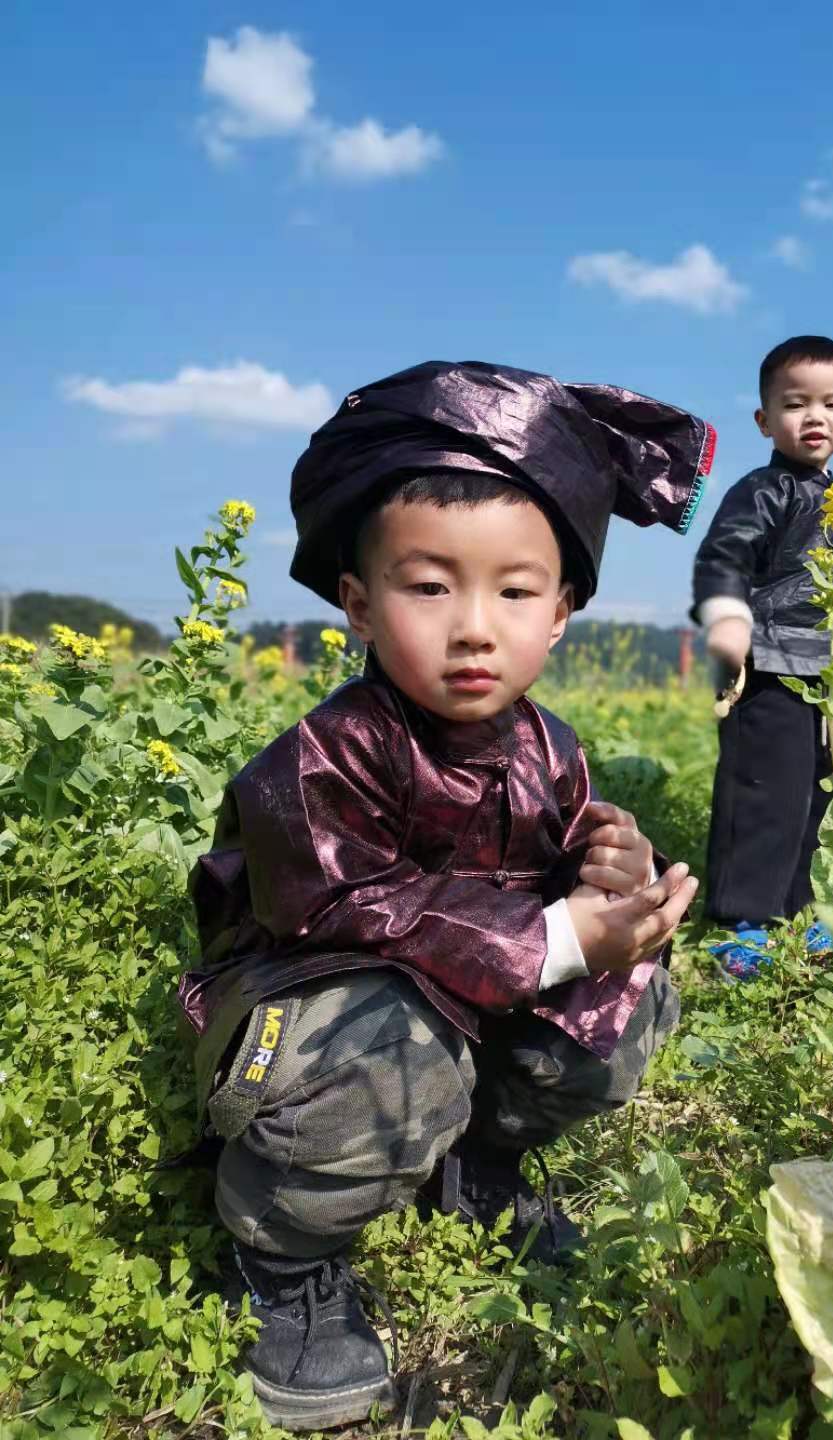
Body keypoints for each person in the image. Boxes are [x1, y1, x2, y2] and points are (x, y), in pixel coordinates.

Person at [179, 360, 711, 1430]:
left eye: (515, 592)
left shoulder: (550, 747)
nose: (474, 627)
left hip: (466, 1002)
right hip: (315, 1008)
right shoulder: (331, 750)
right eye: (429, 587)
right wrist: (557, 939)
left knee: (629, 997)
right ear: (359, 606)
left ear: (560, 615)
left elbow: (565, 863)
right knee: (384, 1039)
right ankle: (283, 1257)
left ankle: (476, 1164)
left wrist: (612, 875)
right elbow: (340, 904)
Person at [691, 336, 833, 979]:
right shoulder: (763, 491)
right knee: (762, 796)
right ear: (764, 420)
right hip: (770, 669)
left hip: (826, 678)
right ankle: (743, 923)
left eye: (832, 403)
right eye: (795, 404)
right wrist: (728, 622)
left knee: (817, 796)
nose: (815, 417)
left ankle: (801, 910)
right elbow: (725, 557)